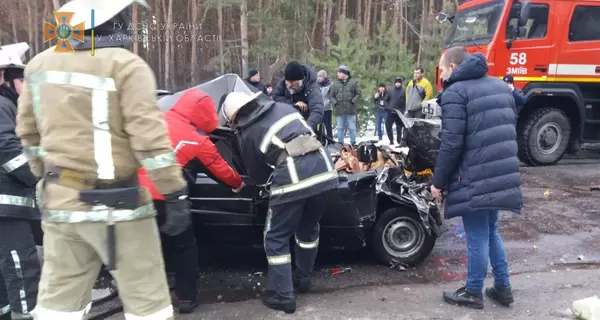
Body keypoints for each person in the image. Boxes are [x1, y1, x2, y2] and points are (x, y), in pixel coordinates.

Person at [15, 1, 190, 319]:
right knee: (147, 303)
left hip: (61, 207)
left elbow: (28, 134)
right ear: (114, 19)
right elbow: (150, 142)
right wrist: (174, 192)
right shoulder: (126, 66)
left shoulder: (38, 66)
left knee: (58, 304)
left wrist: (47, 176)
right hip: (119, 209)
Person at [221, 91, 339, 314]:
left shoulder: (249, 132)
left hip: (294, 180)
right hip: (324, 173)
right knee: (308, 228)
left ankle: (282, 296)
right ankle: (303, 279)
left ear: (235, 118)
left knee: (275, 237)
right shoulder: (283, 108)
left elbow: (257, 176)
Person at [431, 46, 522, 310]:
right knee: (491, 230)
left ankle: (473, 291)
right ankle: (503, 287)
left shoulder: (456, 93)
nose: (442, 72)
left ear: (454, 67)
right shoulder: (498, 86)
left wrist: (438, 182)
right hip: (500, 171)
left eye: (443, 67)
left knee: (477, 234)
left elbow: (451, 144)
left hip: (474, 174)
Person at [138, 89, 243, 314]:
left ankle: (148, 296)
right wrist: (238, 183)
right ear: (204, 114)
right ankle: (186, 298)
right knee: (183, 246)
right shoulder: (196, 139)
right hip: (167, 198)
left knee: (145, 246)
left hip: (135, 195)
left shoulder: (155, 120)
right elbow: (220, 169)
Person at [0, 42, 41, 320]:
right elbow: (6, 146)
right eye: (23, 79)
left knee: (6, 273)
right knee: (21, 267)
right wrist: (36, 176)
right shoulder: (3, 104)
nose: (27, 85)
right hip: (7, 208)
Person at [272, 61, 324, 132]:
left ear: (300, 80)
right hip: (286, 124)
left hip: (305, 123)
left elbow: (317, 111)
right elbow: (275, 97)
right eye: (287, 81)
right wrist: (294, 104)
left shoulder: (313, 88)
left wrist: (306, 129)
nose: (289, 85)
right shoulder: (284, 82)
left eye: (292, 82)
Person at [330, 65, 361, 145]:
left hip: (350, 110)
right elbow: (331, 95)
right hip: (339, 110)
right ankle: (340, 143)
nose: (338, 74)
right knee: (340, 128)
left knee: (352, 128)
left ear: (344, 73)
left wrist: (352, 101)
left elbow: (358, 93)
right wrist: (335, 103)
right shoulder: (335, 84)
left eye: (339, 72)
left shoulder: (354, 82)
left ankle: (353, 143)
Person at [385, 77, 406, 145]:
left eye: (399, 82)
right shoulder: (390, 90)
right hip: (391, 111)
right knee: (388, 126)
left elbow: (407, 101)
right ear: (394, 83)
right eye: (396, 82)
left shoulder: (404, 91)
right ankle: (391, 140)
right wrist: (387, 107)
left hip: (399, 112)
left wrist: (404, 109)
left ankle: (399, 140)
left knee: (399, 128)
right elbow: (385, 99)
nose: (398, 84)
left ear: (401, 83)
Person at [316, 70, 333, 139]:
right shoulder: (316, 85)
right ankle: (320, 139)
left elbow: (331, 96)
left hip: (327, 109)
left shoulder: (330, 85)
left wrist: (327, 103)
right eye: (318, 76)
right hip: (319, 109)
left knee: (328, 126)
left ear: (324, 77)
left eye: (320, 76)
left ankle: (330, 139)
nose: (318, 78)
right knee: (319, 126)